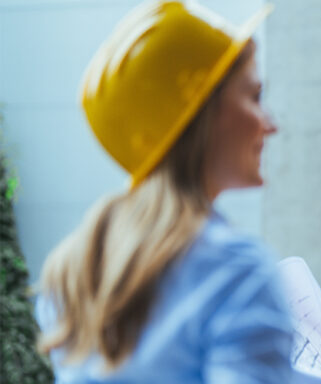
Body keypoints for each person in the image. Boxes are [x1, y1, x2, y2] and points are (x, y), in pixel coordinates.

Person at [34, 2, 293, 383]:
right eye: (254, 96)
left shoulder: (73, 268)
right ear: (204, 113)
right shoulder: (237, 273)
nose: (270, 124)